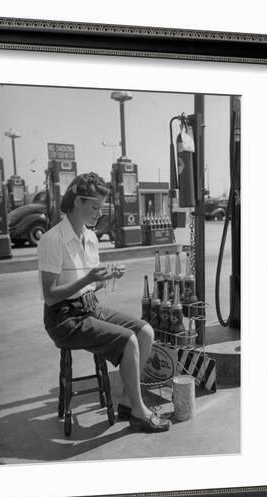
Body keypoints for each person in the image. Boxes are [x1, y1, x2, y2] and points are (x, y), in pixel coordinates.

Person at [37, 172, 170, 433]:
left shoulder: (90, 237)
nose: (100, 213)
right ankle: (139, 411)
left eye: (102, 207)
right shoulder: (52, 240)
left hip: (89, 307)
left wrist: (105, 277)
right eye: (95, 207)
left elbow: (91, 284)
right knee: (129, 339)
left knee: (145, 332)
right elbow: (51, 295)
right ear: (77, 203)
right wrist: (88, 277)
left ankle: (126, 402)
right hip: (64, 318)